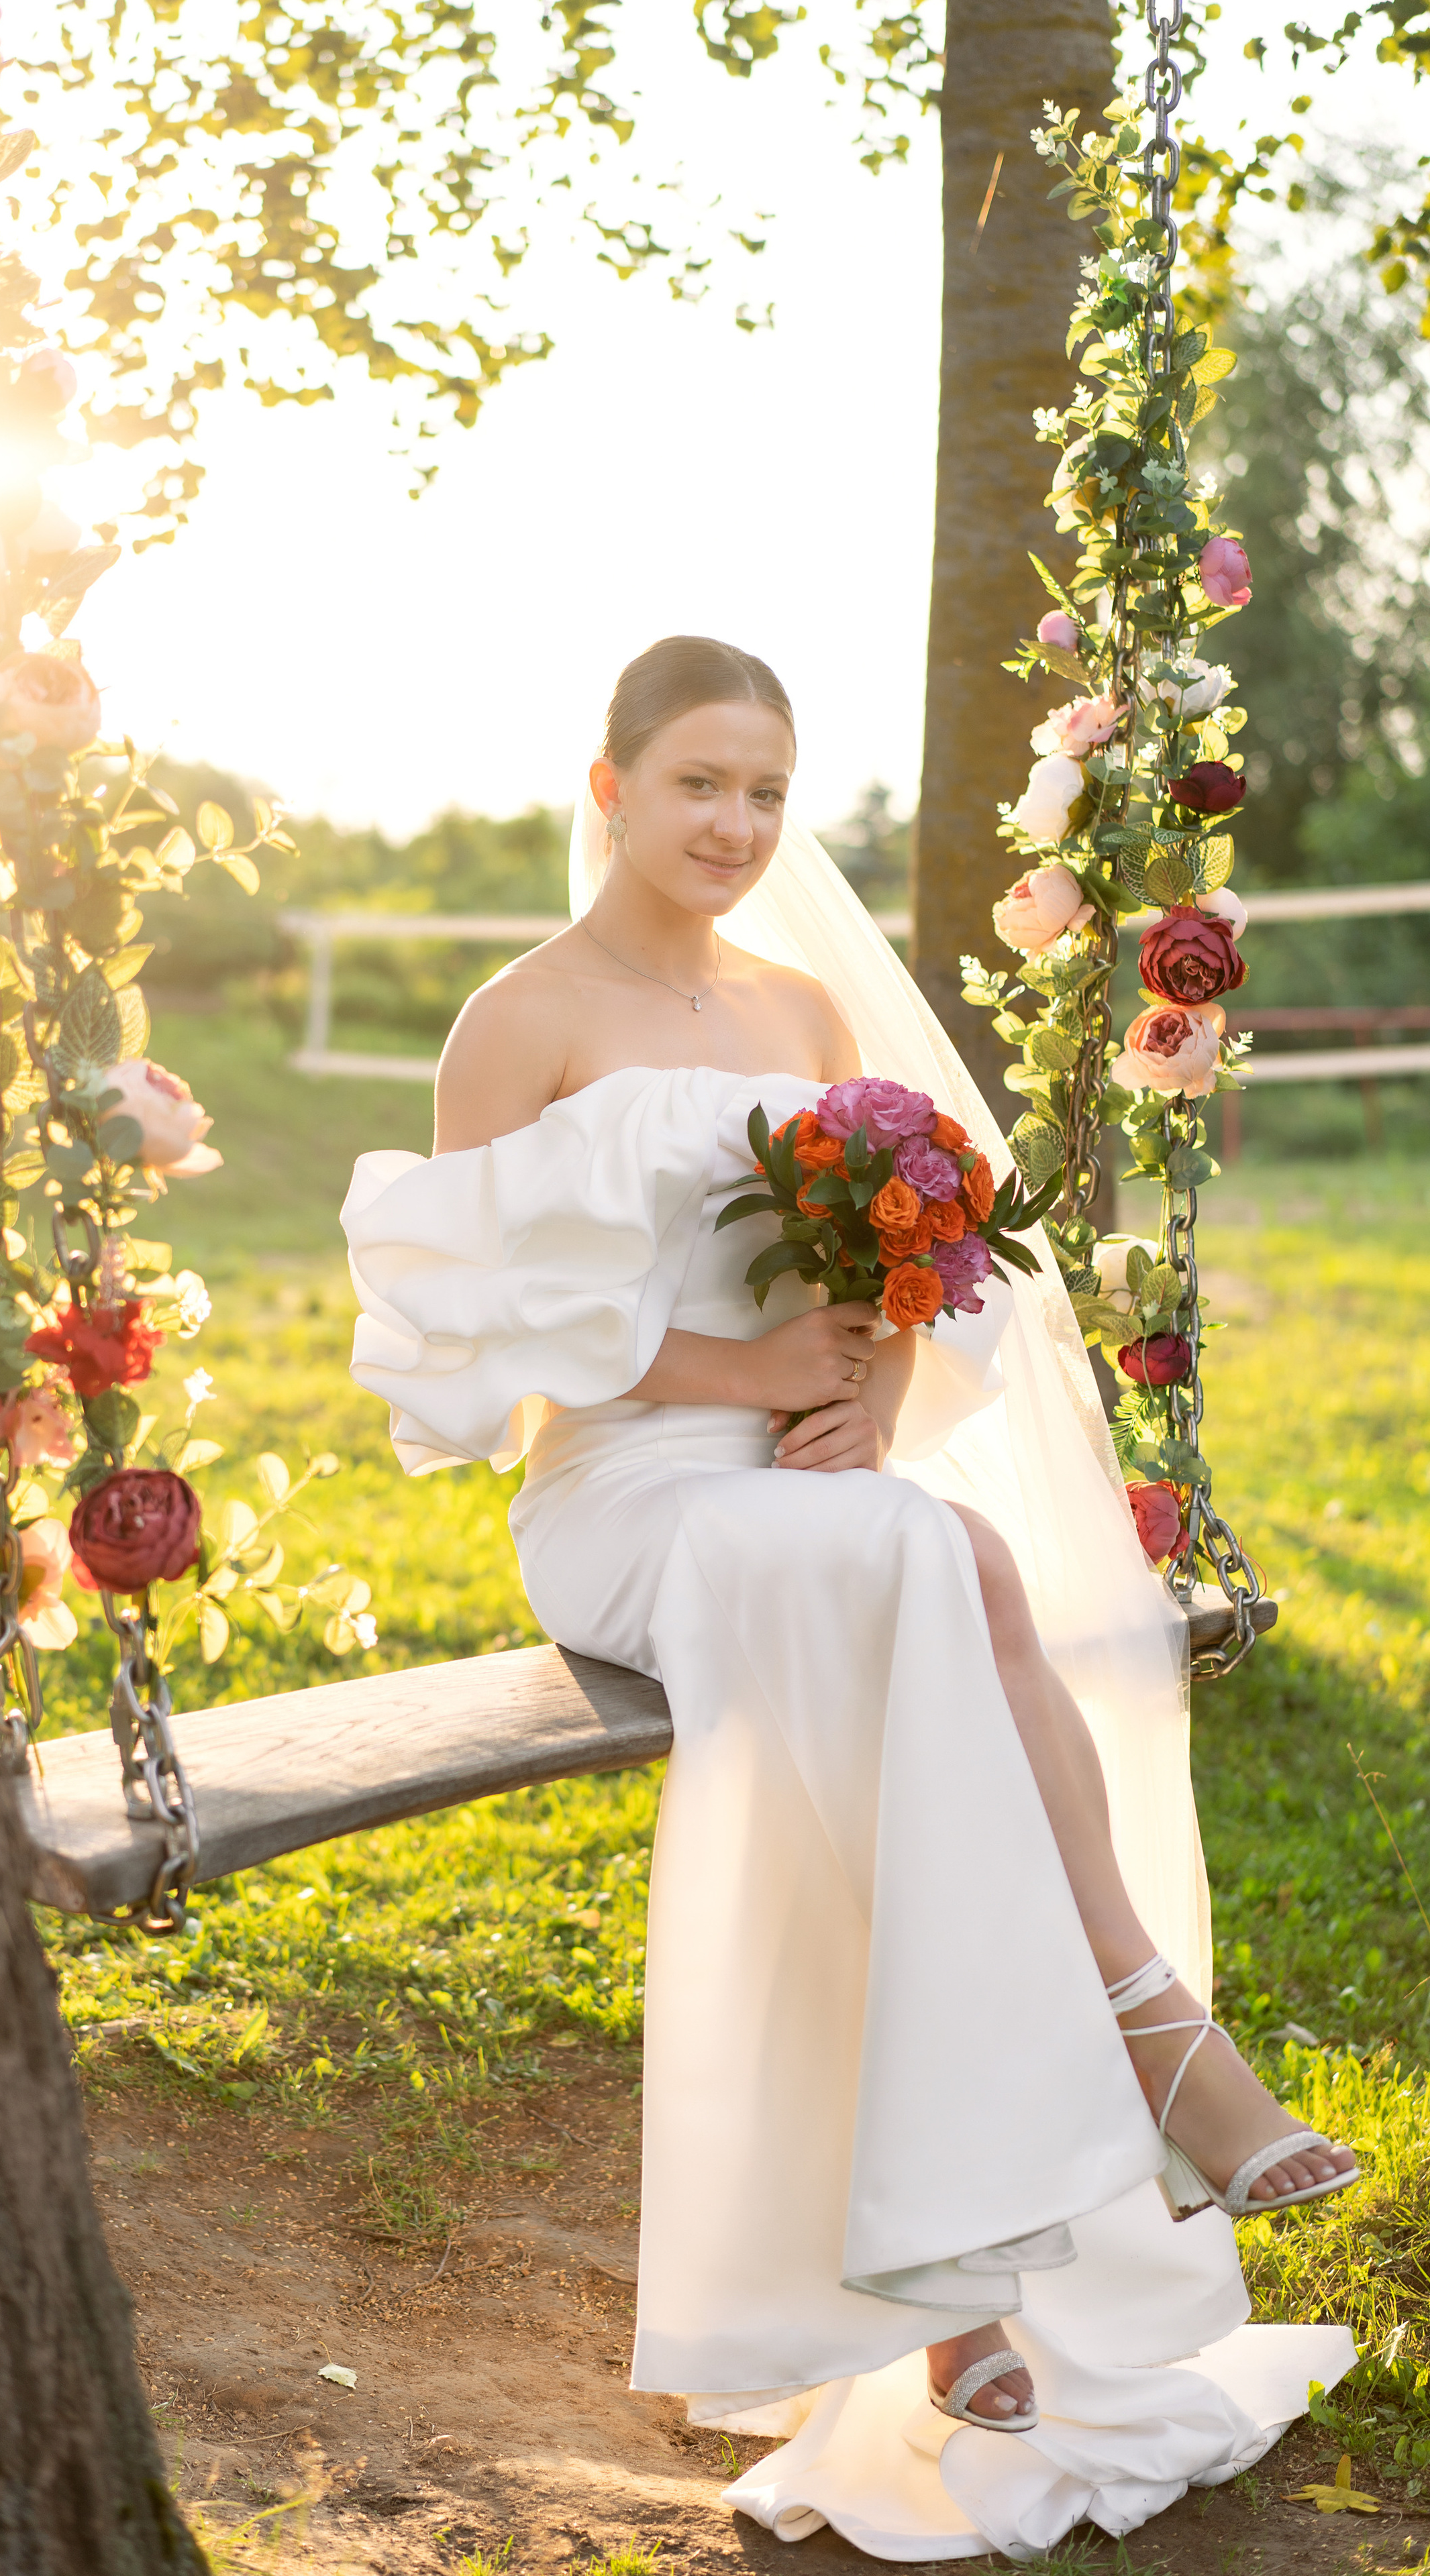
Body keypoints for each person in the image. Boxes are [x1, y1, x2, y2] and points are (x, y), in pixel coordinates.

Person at [341, 635, 1357, 2558]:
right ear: (612, 789)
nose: (734, 824)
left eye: (765, 793)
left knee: (927, 1573)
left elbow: (908, 1269)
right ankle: (1150, 2040)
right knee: (938, 1559)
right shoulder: (521, 1019)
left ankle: (963, 2278)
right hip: (633, 1491)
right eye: (698, 783)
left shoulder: (803, 1006)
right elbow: (480, 1334)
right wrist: (744, 1377)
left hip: (812, 1484)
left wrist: (875, 1389)